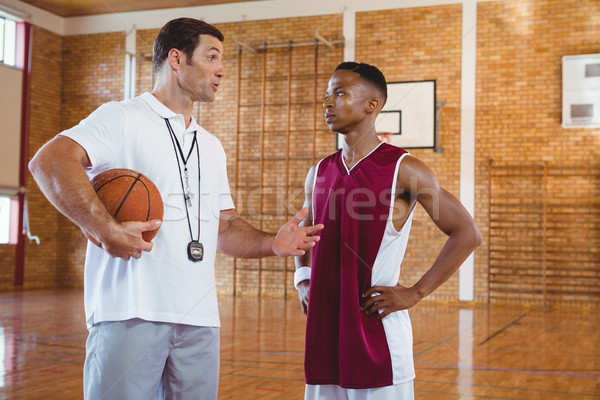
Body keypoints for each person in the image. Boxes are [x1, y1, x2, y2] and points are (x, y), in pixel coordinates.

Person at [29, 17, 323, 400]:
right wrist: (104, 228)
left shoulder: (211, 146)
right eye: (212, 56)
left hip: (199, 321)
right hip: (130, 313)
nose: (221, 69)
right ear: (176, 59)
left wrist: (273, 243)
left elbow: (224, 227)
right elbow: (49, 160)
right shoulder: (122, 117)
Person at [294, 62, 481, 399]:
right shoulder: (319, 171)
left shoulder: (404, 169)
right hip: (324, 333)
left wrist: (416, 292)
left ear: (372, 105)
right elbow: (305, 231)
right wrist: (303, 277)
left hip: (376, 333)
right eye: (326, 96)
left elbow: (467, 233)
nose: (327, 103)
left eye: (340, 93)